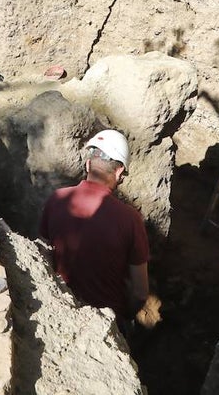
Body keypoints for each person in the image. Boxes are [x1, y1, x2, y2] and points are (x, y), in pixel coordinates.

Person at [39, 130, 149, 333]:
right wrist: (127, 315)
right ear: (119, 171)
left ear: (88, 164)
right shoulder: (130, 219)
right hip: (106, 320)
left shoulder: (56, 199)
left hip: (62, 305)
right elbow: (141, 292)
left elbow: (42, 253)